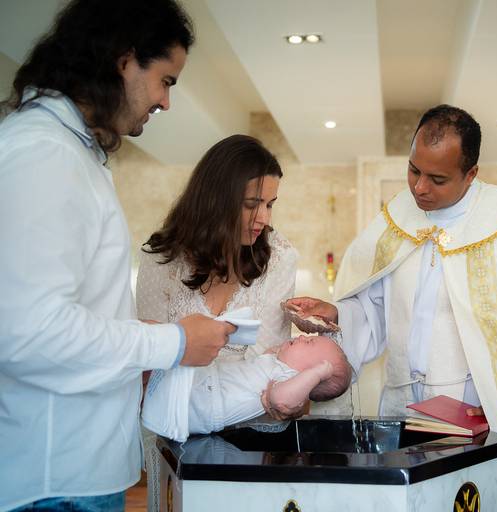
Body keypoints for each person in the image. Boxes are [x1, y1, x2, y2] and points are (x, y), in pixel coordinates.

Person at [288, 104, 497, 511]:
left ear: (471, 174)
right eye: (413, 170)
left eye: (438, 178)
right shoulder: (395, 220)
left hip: (469, 413)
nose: (419, 188)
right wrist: (337, 312)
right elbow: (376, 312)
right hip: (396, 408)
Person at [0, 1, 235, 511]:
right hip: (53, 480)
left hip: (77, 470)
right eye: (166, 81)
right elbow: (29, 333)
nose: (167, 102)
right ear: (123, 61)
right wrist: (168, 343)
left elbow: (61, 308)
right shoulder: (44, 154)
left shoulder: (73, 152)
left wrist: (140, 336)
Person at [135, 134, 298, 510]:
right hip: (177, 438)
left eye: (271, 205)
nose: (264, 219)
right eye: (251, 205)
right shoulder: (161, 260)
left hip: (254, 438)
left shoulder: (279, 258)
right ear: (215, 199)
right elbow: (148, 367)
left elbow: (272, 359)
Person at [186, 335, 353, 435]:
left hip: (204, 407)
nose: (302, 336)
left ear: (309, 375)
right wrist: (282, 350)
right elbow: (269, 354)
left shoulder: (289, 378)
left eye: (309, 342)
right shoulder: (278, 365)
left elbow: (280, 399)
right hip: (204, 385)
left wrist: (317, 373)